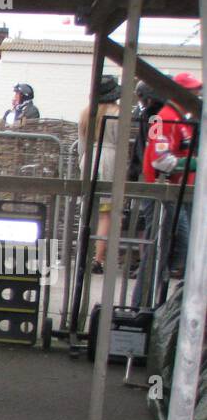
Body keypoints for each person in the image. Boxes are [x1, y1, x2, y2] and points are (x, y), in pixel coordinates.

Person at [143, 72, 199, 279]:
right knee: (160, 253)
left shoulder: (180, 119)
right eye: (193, 91)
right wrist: (195, 164)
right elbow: (159, 160)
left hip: (178, 192)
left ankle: (157, 294)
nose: (197, 96)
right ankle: (145, 300)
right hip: (163, 192)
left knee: (166, 252)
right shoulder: (163, 118)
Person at [79, 74, 121, 274]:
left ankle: (82, 254)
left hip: (89, 158)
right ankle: (98, 258)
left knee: (87, 212)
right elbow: (122, 144)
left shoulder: (87, 112)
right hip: (109, 160)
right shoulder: (117, 114)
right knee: (106, 214)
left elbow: (81, 144)